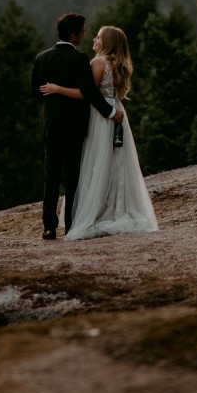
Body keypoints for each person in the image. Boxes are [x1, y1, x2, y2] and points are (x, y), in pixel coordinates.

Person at [39, 25, 158, 240]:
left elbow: (87, 94)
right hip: (117, 112)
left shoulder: (97, 62)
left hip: (101, 115)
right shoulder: (119, 64)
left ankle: (94, 212)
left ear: (108, 42)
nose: (94, 39)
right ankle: (115, 208)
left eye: (99, 37)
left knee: (94, 163)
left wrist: (57, 89)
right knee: (114, 163)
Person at [31, 12, 124, 240]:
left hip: (51, 126)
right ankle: (72, 226)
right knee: (73, 177)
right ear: (73, 35)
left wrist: (54, 98)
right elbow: (89, 93)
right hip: (74, 127)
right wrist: (111, 112)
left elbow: (36, 93)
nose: (85, 35)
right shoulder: (79, 59)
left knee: (51, 176)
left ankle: (49, 227)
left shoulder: (41, 58)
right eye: (82, 31)